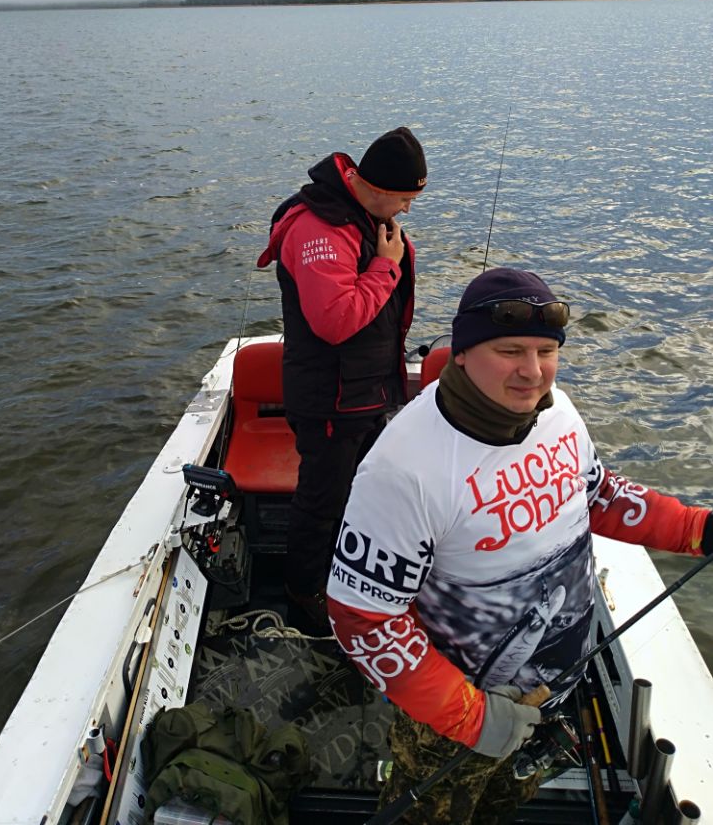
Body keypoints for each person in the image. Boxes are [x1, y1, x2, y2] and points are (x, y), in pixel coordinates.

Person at [327, 267, 712, 824]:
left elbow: (598, 495)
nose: (532, 372)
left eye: (546, 351)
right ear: (462, 353)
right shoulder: (402, 468)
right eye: (509, 351)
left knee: (503, 807)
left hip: (552, 698)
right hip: (457, 723)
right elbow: (363, 618)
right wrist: (474, 719)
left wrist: (697, 529)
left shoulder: (557, 410)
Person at [257, 127, 427, 631]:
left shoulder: (365, 217)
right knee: (322, 501)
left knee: (368, 491)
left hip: (365, 391)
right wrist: (386, 267)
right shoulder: (320, 229)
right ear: (374, 186)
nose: (408, 209)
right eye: (405, 198)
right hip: (330, 399)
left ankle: (353, 575)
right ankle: (304, 590)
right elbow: (334, 320)